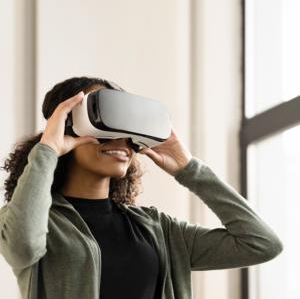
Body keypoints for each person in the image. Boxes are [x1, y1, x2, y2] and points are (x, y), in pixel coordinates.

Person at [0, 76, 283, 299]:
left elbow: (261, 244)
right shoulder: (35, 221)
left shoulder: (158, 229)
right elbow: (23, 247)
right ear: (66, 127)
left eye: (128, 130)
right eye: (106, 125)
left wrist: (189, 169)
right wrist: (47, 149)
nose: (121, 140)